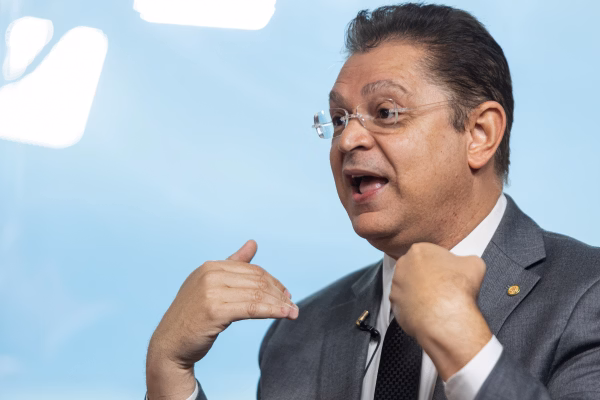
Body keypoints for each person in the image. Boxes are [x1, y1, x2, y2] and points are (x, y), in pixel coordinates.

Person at [145, 3, 600, 400]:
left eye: (386, 112)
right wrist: (169, 373)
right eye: (339, 120)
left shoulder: (588, 294)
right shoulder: (298, 334)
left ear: (479, 134)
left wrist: (463, 343)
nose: (348, 140)